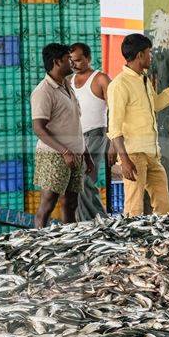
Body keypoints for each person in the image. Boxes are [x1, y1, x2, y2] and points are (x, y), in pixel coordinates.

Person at [107, 33, 169, 217]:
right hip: (134, 155)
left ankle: (161, 242)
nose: (151, 56)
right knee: (134, 208)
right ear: (140, 55)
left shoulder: (144, 79)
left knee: (164, 205)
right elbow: (114, 128)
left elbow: (155, 104)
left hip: (152, 154)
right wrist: (124, 160)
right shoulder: (119, 85)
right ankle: (131, 244)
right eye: (149, 53)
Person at [31, 43, 86, 228]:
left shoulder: (66, 86)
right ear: (56, 62)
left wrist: (84, 153)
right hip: (53, 155)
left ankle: (69, 243)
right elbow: (39, 128)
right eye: (67, 59)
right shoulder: (43, 91)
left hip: (74, 155)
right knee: (48, 204)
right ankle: (37, 243)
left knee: (71, 204)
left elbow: (73, 123)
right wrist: (64, 151)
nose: (71, 63)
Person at [69, 42, 110, 221]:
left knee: (84, 181)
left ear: (88, 58)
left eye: (78, 60)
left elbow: (115, 109)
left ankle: (100, 220)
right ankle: (88, 223)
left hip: (95, 134)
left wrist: (114, 141)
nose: (74, 64)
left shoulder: (100, 79)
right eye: (71, 61)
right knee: (76, 183)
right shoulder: (68, 81)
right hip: (75, 137)